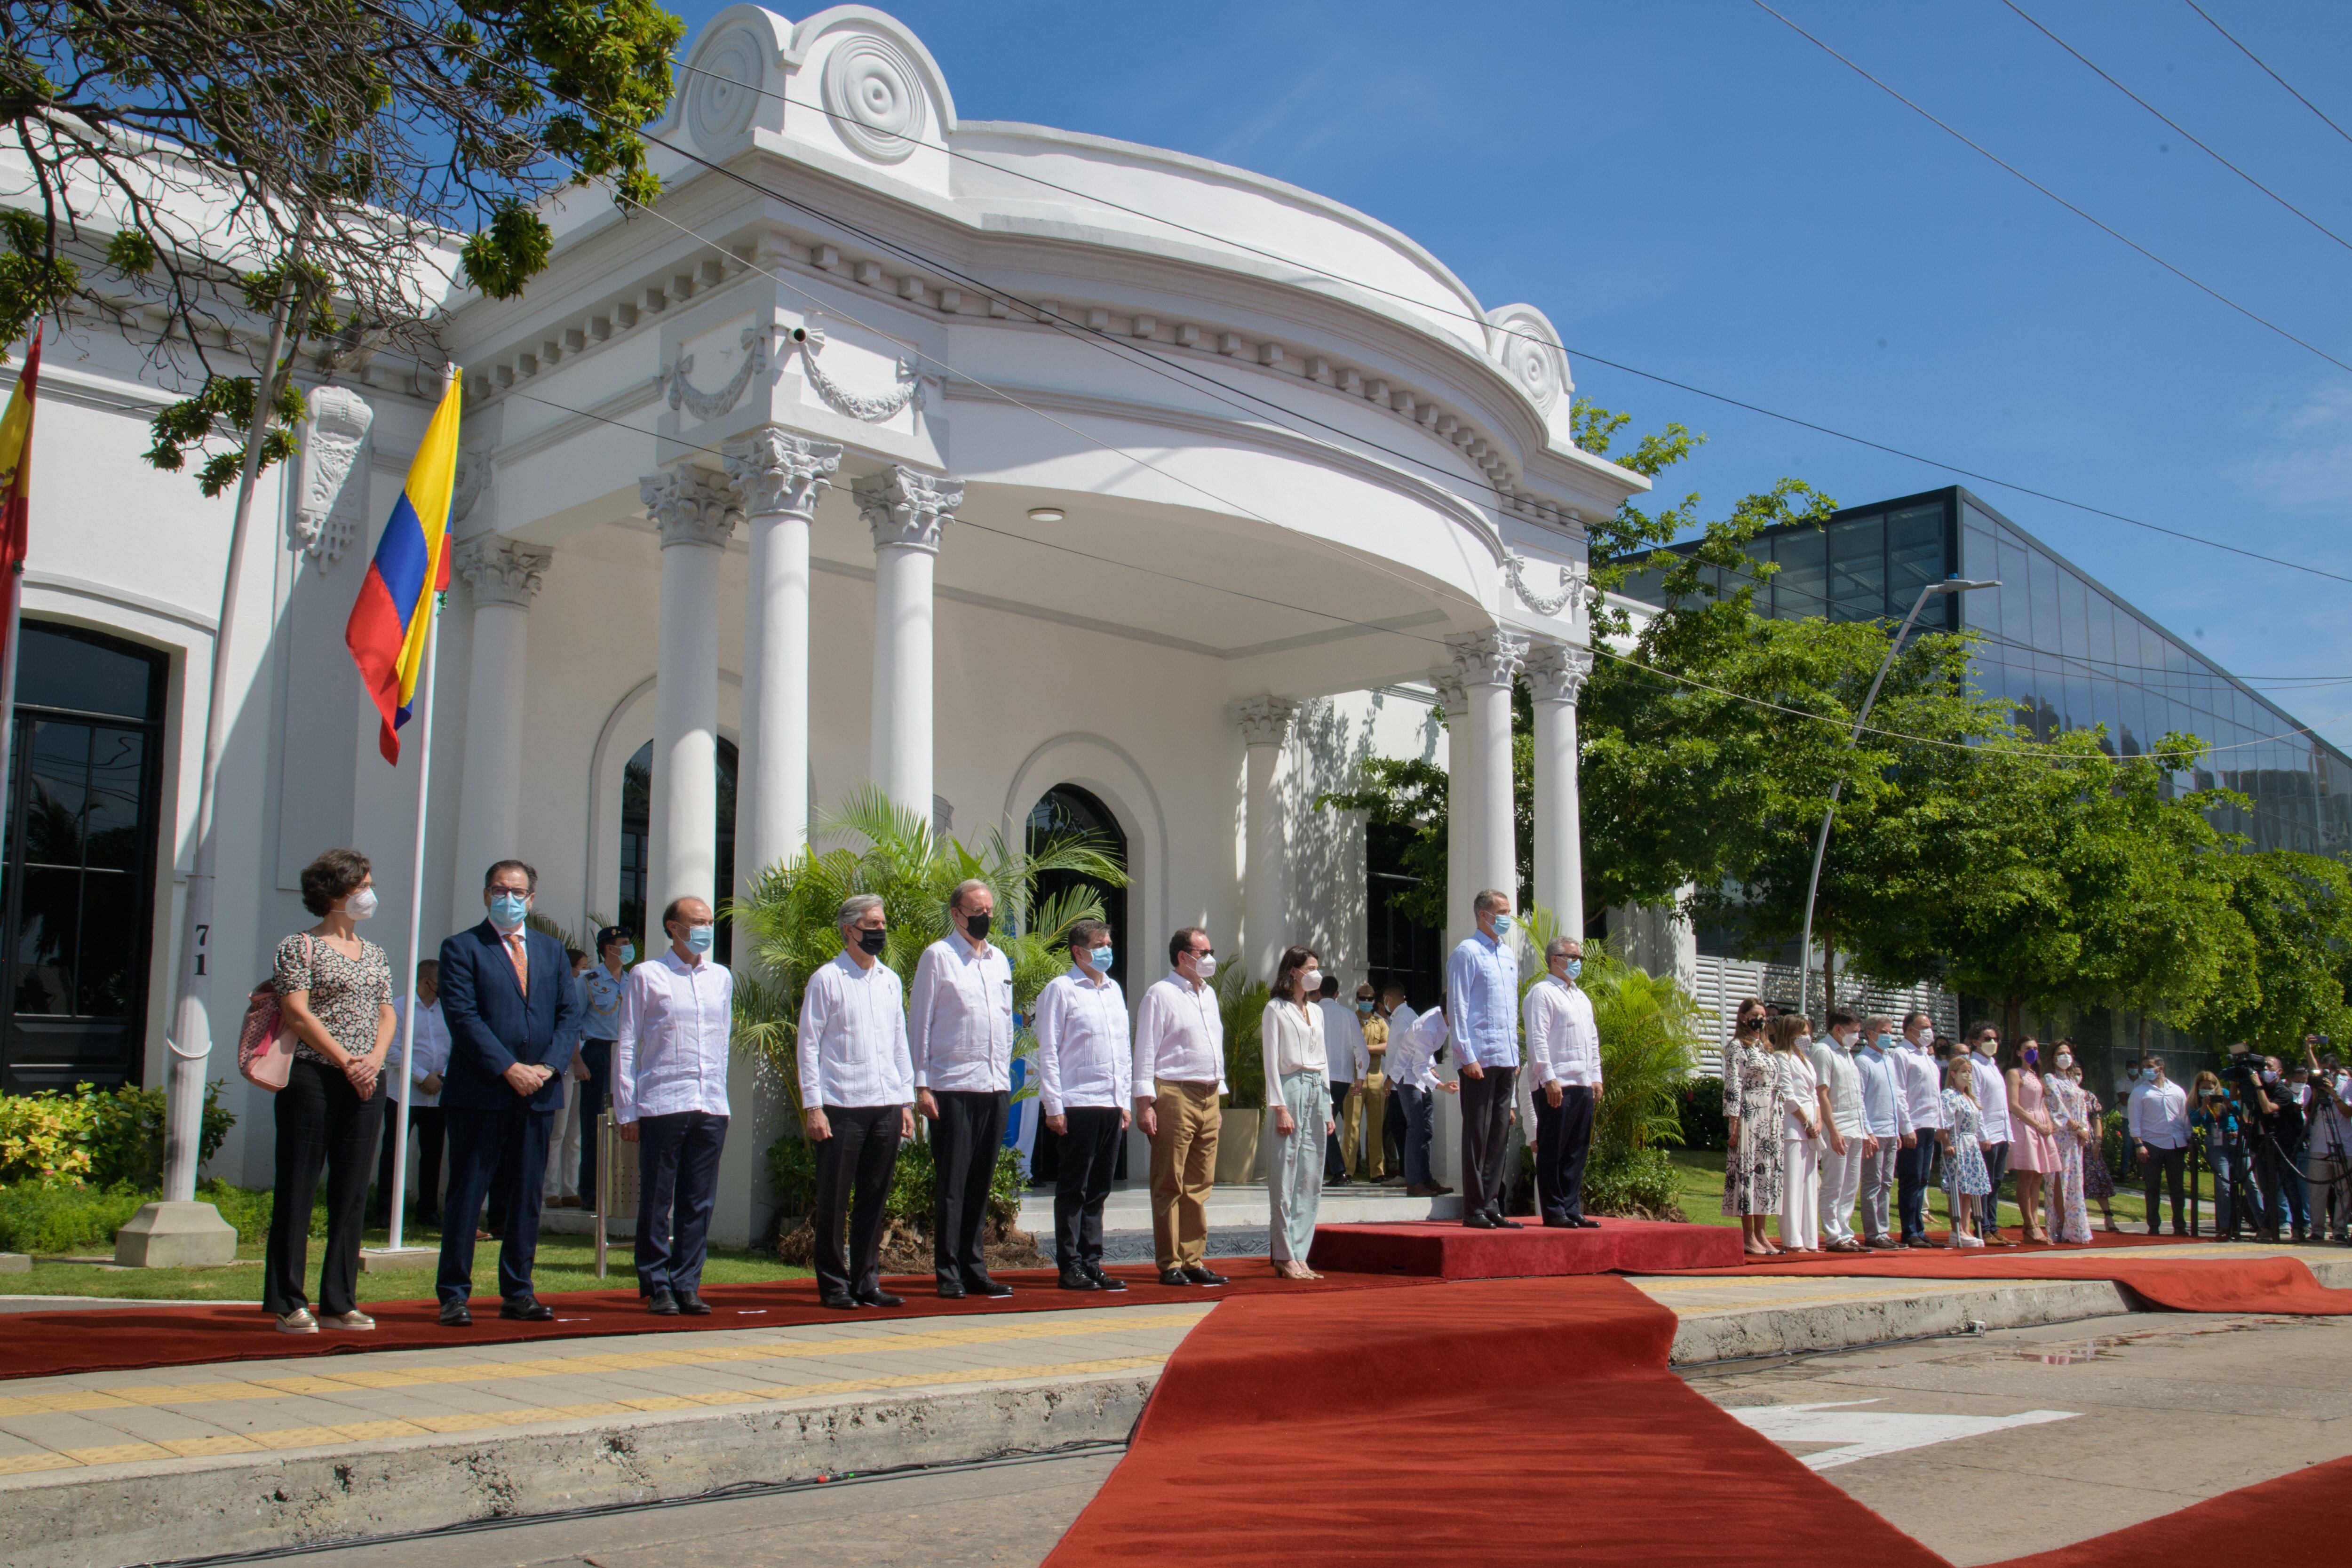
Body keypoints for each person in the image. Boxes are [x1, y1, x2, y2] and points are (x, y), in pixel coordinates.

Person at [436, 860, 586, 1327]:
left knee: (525, 1197)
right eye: (500, 890)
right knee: (468, 1195)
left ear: (532, 899)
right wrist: (508, 1067)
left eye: (517, 892)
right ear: (486, 895)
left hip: (538, 1093)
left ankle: (518, 1290)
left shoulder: (550, 952)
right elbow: (462, 1018)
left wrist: (547, 1067)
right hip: (480, 1091)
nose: (509, 899)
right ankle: (454, 1295)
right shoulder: (462, 948)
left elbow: (568, 1015)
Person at [265, 849, 396, 1334]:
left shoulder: (375, 952)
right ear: (338, 891)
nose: (369, 893)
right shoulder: (298, 947)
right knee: (298, 1187)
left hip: (366, 1080)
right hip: (313, 1077)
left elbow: (387, 1011)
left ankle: (340, 1300)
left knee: (352, 1190)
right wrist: (346, 1061)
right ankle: (287, 1300)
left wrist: (374, 1062)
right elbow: (297, 1013)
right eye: (363, 884)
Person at [613, 896, 733, 1315]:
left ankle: (687, 1281)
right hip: (663, 1101)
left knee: (699, 1200)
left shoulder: (721, 977)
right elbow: (628, 1043)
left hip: (710, 1103)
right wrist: (627, 1108)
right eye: (695, 922)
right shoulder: (648, 975)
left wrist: (721, 1100)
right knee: (658, 1197)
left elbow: (723, 1041)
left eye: (708, 921)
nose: (704, 928)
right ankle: (656, 1282)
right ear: (673, 927)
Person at [799, 893, 917, 1309]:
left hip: (885, 1102)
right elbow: (808, 1046)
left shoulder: (889, 979)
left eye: (882, 923)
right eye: (871, 925)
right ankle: (834, 1284)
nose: (879, 931)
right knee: (835, 1198)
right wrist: (814, 1106)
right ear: (849, 929)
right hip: (841, 1103)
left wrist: (906, 1102)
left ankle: (867, 1280)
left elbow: (899, 1044)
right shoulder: (827, 979)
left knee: (874, 1195)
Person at [909, 880, 1018, 1300]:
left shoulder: (999, 960)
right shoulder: (938, 956)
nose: (985, 916)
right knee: (952, 1184)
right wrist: (921, 1083)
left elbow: (1006, 1023)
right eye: (977, 910)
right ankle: (949, 1271)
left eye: (990, 909)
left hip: (994, 1085)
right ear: (957, 914)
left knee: (981, 1181)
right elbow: (920, 1022)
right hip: (951, 1085)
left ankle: (975, 1267)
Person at [1036, 919, 1132, 1292]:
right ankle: (1069, 1264)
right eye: (1100, 944)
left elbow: (1122, 1051)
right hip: (1077, 1102)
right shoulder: (1060, 990)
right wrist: (1054, 1105)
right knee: (1073, 1187)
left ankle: (1093, 1262)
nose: (1108, 949)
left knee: (1100, 1188)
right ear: (1079, 951)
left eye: (1109, 942)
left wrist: (1123, 1101)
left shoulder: (1113, 990)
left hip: (1109, 1103)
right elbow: (1048, 1051)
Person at [1132, 926, 1228, 1288]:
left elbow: (1214, 1047)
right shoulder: (1161, 993)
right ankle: (1169, 1261)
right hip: (1174, 1091)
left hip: (1208, 1093)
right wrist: (1145, 1103)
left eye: (1210, 950)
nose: (1209, 958)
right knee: (1169, 1180)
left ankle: (1193, 1258)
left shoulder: (1210, 994)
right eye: (1202, 953)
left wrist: (1218, 1096)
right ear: (1183, 956)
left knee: (1199, 1182)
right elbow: (1145, 1050)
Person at [1445, 889, 1522, 1229]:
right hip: (1479, 1056)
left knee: (1499, 1134)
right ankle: (1474, 1206)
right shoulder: (1467, 952)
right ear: (1482, 914)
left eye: (1508, 911)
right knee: (1477, 1131)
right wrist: (1466, 1054)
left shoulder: (1507, 955)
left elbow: (1511, 1009)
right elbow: (1458, 1007)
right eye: (1500, 911)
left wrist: (1516, 1054)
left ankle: (1492, 1202)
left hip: (1505, 1056)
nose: (1506, 916)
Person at [1262, 946, 1332, 1278]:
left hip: (1316, 1088)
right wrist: (1280, 1107)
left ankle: (1301, 1251)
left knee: (1311, 1173)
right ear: (1294, 971)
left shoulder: (1317, 1011)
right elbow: (1271, 1062)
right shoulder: (1275, 1009)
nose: (1316, 972)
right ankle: (1283, 1252)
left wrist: (1329, 1106)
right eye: (1310, 967)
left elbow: (1325, 1059)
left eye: (1318, 967)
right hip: (1290, 1087)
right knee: (1285, 1171)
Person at [1523, 936, 1601, 1229]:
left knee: (1576, 1149)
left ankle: (1572, 1206)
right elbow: (1538, 1039)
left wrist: (1596, 1077)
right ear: (1555, 959)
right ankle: (1554, 1210)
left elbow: (1592, 1040)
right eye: (1573, 957)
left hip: (1582, 1082)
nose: (1578, 963)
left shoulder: (1581, 996)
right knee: (1552, 1148)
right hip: (1556, 1084)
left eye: (1579, 958)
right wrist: (1549, 1078)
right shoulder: (1541, 993)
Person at [370, 960, 449, 1229]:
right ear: (427, 982)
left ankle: (427, 1211)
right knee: (394, 1152)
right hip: (402, 1093)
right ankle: (387, 1211)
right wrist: (421, 1076)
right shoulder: (399, 1008)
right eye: (442, 982)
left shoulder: (447, 1010)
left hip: (438, 1093)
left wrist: (439, 1077)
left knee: (433, 1153)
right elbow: (391, 1050)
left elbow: (457, 1046)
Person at [1721, 999, 1784, 1257]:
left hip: (1770, 1116)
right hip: (1749, 1114)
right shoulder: (1738, 1047)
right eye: (1756, 1015)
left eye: (1764, 1015)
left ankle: (1762, 1234)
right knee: (1748, 1173)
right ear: (1744, 1018)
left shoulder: (1767, 1049)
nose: (1761, 1019)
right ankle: (1748, 1237)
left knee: (1766, 1175)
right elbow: (1733, 1084)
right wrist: (1733, 1121)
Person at [576, 926, 630, 1214]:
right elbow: (571, 1022)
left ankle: (619, 1190)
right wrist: (577, 1061)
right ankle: (591, 1192)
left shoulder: (633, 980)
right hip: (597, 1052)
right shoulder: (589, 981)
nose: (629, 948)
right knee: (594, 1124)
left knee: (625, 1122)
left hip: (625, 1054)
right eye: (624, 943)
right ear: (610, 949)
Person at [1808, 1011, 1867, 1253]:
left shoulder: (1847, 1054)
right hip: (1838, 1127)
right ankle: (1833, 1234)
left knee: (1851, 1184)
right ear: (1838, 1030)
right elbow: (1822, 1092)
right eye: (1853, 1031)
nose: (1856, 1036)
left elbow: (1855, 1094)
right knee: (1834, 1183)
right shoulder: (1823, 1051)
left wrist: (1867, 1130)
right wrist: (1832, 1131)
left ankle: (1845, 1231)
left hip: (1856, 1126)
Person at [1852, 1015, 1911, 1250]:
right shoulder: (1864, 1061)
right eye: (1883, 1031)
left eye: (1890, 1031)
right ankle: (1873, 1233)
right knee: (1872, 1183)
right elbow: (1861, 1100)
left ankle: (1884, 1231)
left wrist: (1898, 1129)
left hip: (1890, 1130)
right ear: (1870, 1033)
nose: (1888, 1035)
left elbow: (1895, 1097)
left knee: (1887, 1182)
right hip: (1875, 1131)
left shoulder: (1889, 1061)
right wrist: (1868, 1131)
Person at [542, 947, 593, 1210]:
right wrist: (576, 1061)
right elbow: (568, 1030)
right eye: (581, 966)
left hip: (579, 1068)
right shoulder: (559, 992)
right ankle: (550, 1190)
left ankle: (569, 1188)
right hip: (565, 1068)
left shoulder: (583, 989)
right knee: (557, 1133)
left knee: (575, 1133)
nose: (585, 971)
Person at [1390, 996, 1454, 1198]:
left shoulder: (1440, 1019)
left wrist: (1432, 1068)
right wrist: (1441, 1086)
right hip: (1408, 1077)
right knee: (1416, 1127)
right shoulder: (1430, 1027)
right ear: (1449, 1010)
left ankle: (1426, 1179)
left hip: (1421, 1075)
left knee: (1427, 1129)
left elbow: (1426, 1053)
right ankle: (1414, 1182)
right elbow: (1417, 1066)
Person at [1772, 1015, 1823, 1253]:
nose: (1806, 1038)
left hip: (1811, 1125)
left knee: (1810, 1184)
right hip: (1793, 1125)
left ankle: (1810, 1239)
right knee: (1792, 1184)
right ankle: (1793, 1239)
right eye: (1801, 1034)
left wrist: (1818, 1121)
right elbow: (1787, 1094)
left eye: (1808, 1033)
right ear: (1790, 1035)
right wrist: (1805, 1121)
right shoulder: (1782, 1058)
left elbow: (1814, 1094)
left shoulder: (1807, 1061)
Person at [1894, 1011, 1944, 1247]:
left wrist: (1940, 1124)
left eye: (1930, 1026)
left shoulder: (1926, 1057)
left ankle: (1919, 1228)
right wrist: (1907, 1127)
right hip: (1913, 1125)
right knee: (1911, 1178)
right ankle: (1909, 1230)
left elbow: (1933, 1094)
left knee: (1923, 1178)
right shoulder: (1902, 1055)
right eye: (1923, 1027)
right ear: (1909, 1029)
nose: (1928, 1031)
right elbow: (1900, 1093)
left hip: (1929, 1123)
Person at [2129, 1053, 2191, 1235]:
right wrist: (2139, 1144)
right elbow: (2135, 1121)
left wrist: (2189, 1139)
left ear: (2161, 1068)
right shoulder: (2140, 1092)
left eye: (2150, 1066)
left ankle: (2180, 1225)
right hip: (2151, 1143)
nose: (2146, 1070)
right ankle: (2154, 1225)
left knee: (2177, 1187)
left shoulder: (2178, 1091)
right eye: (2144, 1067)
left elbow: (2184, 1118)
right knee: (2153, 1186)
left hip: (2175, 1144)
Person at [2005, 1038, 2058, 1244]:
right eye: (2028, 1049)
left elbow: (2042, 1103)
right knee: (2027, 1176)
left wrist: (2049, 1123)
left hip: (2040, 1126)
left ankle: (2036, 1223)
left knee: (2038, 1177)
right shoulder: (2015, 1073)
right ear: (2019, 1052)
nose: (2032, 1052)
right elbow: (2014, 1105)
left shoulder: (2036, 1076)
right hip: (2025, 1125)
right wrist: (2037, 1124)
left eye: (2036, 1049)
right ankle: (2029, 1223)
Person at [1318, 973, 1368, 1185]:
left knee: (1322, 1124)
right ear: (1337, 994)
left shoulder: (1312, 1012)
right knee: (1325, 1123)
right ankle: (1336, 1171)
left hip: (1319, 1077)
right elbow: (1361, 1049)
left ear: (1318, 992)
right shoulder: (1348, 1015)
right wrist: (1361, 1077)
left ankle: (1338, 1172)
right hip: (1342, 1078)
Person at [2252, 1054, 2309, 1241]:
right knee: (2267, 1189)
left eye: (2269, 1067)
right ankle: (2269, 1226)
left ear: (2279, 1071)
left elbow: (2268, 1108)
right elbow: (2239, 1099)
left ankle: (2299, 1227)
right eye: (2263, 1067)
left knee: (2289, 1187)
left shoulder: (2283, 1092)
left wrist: (2259, 1087)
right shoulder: (2259, 1089)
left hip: (2283, 1145)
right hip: (2263, 1144)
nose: (2265, 1070)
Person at [1966, 1025, 2014, 1244]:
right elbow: (1976, 1101)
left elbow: (2001, 1105)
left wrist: (2008, 1134)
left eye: (1995, 1039)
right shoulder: (1974, 1065)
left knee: (1996, 1182)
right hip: (1987, 1135)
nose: (1992, 1043)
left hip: (2001, 1133)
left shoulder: (1993, 1066)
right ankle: (1982, 1226)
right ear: (1975, 1041)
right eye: (1987, 1039)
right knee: (1985, 1184)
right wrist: (1983, 1134)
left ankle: (1992, 1226)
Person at [2189, 1070, 2251, 1239]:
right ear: (2198, 1088)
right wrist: (2204, 1106)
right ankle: (2225, 1227)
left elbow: (2240, 1113)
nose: (2208, 1090)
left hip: (2235, 1139)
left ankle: (2264, 1224)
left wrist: (2229, 1104)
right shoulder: (2195, 1099)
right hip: (2216, 1143)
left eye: (2211, 1087)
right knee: (2223, 1185)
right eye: (2204, 1088)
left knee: (2250, 1182)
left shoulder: (2224, 1094)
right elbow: (2194, 1121)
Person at [2041, 1043, 2092, 1244]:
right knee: (2060, 1182)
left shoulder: (2072, 1081)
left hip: (2075, 1139)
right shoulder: (2050, 1079)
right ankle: (2061, 1226)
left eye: (2068, 1053)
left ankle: (2075, 1227)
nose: (2065, 1057)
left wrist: (2085, 1130)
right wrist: (2075, 1126)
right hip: (2062, 1136)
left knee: (2074, 1182)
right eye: (2061, 1054)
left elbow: (2082, 1107)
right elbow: (2057, 1108)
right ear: (2053, 1058)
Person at [1939, 1056, 1992, 1247]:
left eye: (1969, 1072)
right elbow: (1944, 1125)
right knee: (1958, 1188)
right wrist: (1947, 1144)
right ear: (1953, 1074)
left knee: (1970, 1189)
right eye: (1964, 1071)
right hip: (1958, 1143)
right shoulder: (1949, 1096)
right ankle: (1957, 1230)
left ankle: (1968, 1229)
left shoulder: (1970, 1097)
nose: (1967, 1075)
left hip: (1971, 1144)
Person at [2304, 1038, 2351, 1243]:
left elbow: (2347, 1112)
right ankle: (2317, 1229)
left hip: (2345, 1145)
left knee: (2344, 1191)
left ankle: (2340, 1229)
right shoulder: (2315, 1087)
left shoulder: (2347, 1085)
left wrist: (2333, 1093)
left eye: (2326, 1071)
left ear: (2334, 1071)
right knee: (2317, 1190)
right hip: (2319, 1145)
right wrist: (2317, 1092)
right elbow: (2308, 1112)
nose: (2323, 1074)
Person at [2075, 1066, 2122, 1234]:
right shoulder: (2062, 1094)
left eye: (2079, 1074)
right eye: (2073, 1074)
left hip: (2090, 1144)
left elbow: (2096, 1119)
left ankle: (2108, 1216)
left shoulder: (2089, 1097)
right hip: (2071, 1142)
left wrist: (2098, 1141)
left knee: (2098, 1177)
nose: (2076, 1077)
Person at [1377, 985, 1414, 1184]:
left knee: (1399, 1127)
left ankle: (1406, 1172)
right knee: (1397, 1126)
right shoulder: (1405, 1016)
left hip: (1400, 1083)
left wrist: (1390, 1077)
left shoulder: (1401, 1020)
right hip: (1401, 1082)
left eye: (1385, 1000)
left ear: (1388, 998)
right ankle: (1406, 1171)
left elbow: (1402, 1052)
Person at [1356, 984, 1392, 1184]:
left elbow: (1388, 1046)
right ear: (1357, 1000)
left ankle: (1377, 1171)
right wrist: (1368, 1049)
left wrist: (1366, 1048)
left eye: (1370, 999)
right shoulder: (1351, 1020)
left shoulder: (1380, 1023)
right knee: (1352, 1127)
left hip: (1376, 1075)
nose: (1367, 1002)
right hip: (1355, 1076)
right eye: (1364, 998)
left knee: (1376, 1127)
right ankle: (1349, 1170)